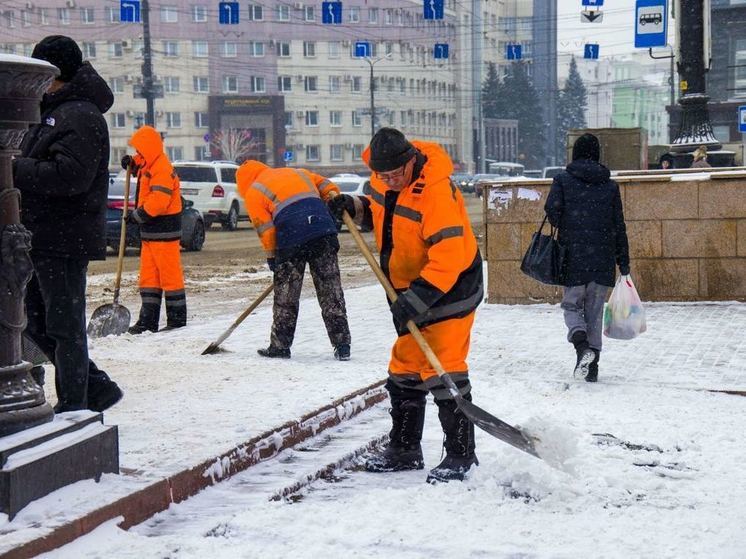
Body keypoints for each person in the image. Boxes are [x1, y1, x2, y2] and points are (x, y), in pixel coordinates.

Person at [328, 128, 483, 483]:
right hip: (410, 290)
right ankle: (404, 449)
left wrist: (416, 299)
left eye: (396, 174)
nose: (390, 181)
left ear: (411, 160)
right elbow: (383, 216)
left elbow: (449, 257)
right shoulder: (383, 181)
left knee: (443, 368)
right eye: (384, 176)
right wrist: (353, 207)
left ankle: (461, 454)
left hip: (452, 288)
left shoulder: (435, 192)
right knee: (405, 369)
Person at [13, 35, 122, 412]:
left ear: (55, 73)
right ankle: (96, 387)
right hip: (41, 235)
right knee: (33, 323)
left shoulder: (80, 114)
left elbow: (71, 176)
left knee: (64, 327)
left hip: (63, 237)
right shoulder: (51, 110)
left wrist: (13, 168)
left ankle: (75, 406)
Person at [236, 160, 351, 361]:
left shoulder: (254, 192)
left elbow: (267, 230)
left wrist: (273, 258)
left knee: (286, 297)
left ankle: (280, 346)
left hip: (291, 237)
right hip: (323, 229)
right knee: (330, 290)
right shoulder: (297, 172)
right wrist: (333, 195)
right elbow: (326, 185)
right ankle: (342, 345)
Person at [545, 133, 630, 383]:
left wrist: (568, 221)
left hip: (573, 257)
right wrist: (623, 261)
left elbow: (553, 213)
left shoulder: (562, 180)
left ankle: (582, 348)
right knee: (593, 312)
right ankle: (592, 368)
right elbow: (619, 225)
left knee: (571, 306)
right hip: (602, 258)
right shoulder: (610, 185)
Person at [121, 125, 186, 334]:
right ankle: (147, 321)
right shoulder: (150, 162)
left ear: (148, 148)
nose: (138, 154)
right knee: (149, 278)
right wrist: (131, 162)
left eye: (140, 150)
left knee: (170, 277)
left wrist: (137, 216)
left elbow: (159, 201)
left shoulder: (162, 168)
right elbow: (140, 163)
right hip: (150, 232)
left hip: (164, 231)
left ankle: (177, 321)